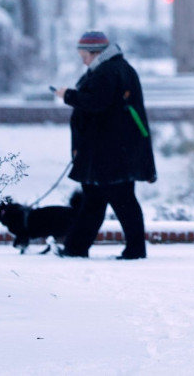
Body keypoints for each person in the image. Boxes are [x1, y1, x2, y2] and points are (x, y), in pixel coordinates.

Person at [54, 30, 156, 259]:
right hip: (112, 151)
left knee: (121, 201)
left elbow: (95, 103)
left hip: (110, 153)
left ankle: (134, 249)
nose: (83, 60)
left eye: (84, 56)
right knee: (95, 201)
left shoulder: (107, 72)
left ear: (95, 52)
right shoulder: (118, 69)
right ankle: (76, 248)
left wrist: (68, 95)